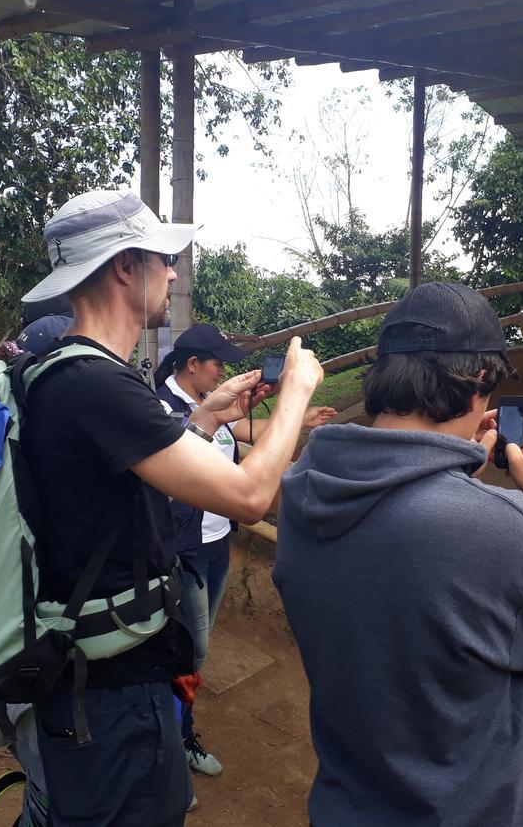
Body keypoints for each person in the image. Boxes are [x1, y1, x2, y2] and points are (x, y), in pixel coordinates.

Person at [17, 188, 324, 826]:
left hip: (88, 667)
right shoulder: (96, 383)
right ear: (126, 267)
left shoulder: (71, 373)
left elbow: (143, 463)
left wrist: (210, 413)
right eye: (164, 257)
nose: (175, 271)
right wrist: (294, 392)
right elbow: (249, 495)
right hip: (107, 687)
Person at [273, 282, 523, 827]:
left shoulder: (304, 491)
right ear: (481, 380)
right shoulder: (500, 528)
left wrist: (451, 473)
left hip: (347, 806)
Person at [154, 323, 336, 779]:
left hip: (216, 543)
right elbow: (177, 455)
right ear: (192, 364)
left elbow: (242, 430)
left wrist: (300, 418)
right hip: (184, 551)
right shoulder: (159, 408)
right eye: (218, 363)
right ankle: (172, 745)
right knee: (188, 652)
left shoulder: (211, 404)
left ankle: (173, 733)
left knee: (197, 647)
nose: (223, 371)